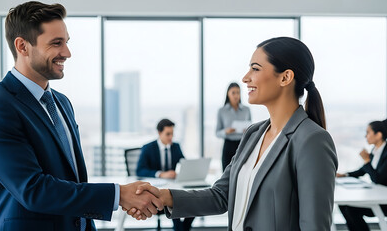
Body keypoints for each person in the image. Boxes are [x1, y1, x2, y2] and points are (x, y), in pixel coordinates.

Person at [0, 1, 161, 231]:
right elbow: (33, 190)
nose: (67, 53)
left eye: (66, 42)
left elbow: (73, 181)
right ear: (22, 46)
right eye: (56, 43)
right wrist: (119, 195)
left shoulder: (61, 103)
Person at [130, 37, 338, 230]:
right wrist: (164, 196)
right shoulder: (253, 134)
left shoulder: (312, 140)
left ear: (285, 77)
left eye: (255, 68)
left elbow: (314, 226)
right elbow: (221, 196)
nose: (245, 78)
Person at [136, 119, 195, 231]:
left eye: (172, 134)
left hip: (174, 188)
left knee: (193, 204)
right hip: (156, 193)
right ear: (159, 133)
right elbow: (140, 170)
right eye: (168, 134)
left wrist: (181, 172)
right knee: (175, 203)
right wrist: (161, 174)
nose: (170, 137)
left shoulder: (175, 147)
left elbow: (184, 164)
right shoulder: (148, 148)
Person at [337, 120, 387, 231]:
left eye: (368, 132)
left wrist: (366, 160)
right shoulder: (376, 150)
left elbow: (378, 179)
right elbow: (363, 171)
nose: (366, 136)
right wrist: (345, 175)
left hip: (384, 201)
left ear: (378, 135)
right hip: (377, 196)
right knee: (344, 206)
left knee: (350, 209)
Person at [216, 82, 251, 171]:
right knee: (226, 173)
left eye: (238, 92)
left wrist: (247, 130)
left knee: (243, 173)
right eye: (233, 93)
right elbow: (217, 132)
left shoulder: (246, 110)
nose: (236, 95)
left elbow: (251, 128)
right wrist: (225, 131)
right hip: (228, 145)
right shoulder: (222, 111)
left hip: (242, 145)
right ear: (228, 94)